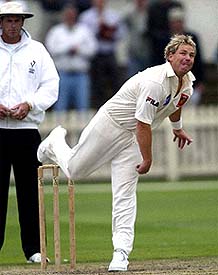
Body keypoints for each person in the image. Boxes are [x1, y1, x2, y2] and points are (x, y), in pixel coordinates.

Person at [37, 34, 196, 271]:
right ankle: (54, 142)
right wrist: (148, 158)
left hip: (133, 138)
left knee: (125, 194)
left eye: (192, 55)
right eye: (183, 53)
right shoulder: (155, 81)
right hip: (112, 124)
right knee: (74, 172)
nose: (188, 58)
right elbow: (143, 123)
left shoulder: (188, 84)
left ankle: (121, 253)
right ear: (170, 56)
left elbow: (175, 106)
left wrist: (178, 128)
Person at [0, 1, 59, 263]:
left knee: (30, 193)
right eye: (8, 20)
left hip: (26, 130)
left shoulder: (37, 50)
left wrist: (30, 104)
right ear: (0, 22)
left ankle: (34, 250)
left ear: (23, 21)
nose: (13, 25)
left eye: (17, 20)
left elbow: (51, 86)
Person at [45, 3, 97, 113]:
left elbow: (93, 49)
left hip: (81, 75)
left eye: (72, 15)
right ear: (64, 15)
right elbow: (51, 50)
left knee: (82, 107)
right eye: (68, 15)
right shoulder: (56, 31)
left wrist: (79, 50)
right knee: (60, 108)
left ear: (76, 15)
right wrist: (68, 49)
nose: (70, 17)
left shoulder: (84, 31)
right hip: (62, 75)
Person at [79, 0, 126, 108]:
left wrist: (110, 32)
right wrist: (97, 29)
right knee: (97, 83)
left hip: (109, 52)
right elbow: (83, 35)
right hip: (96, 54)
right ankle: (97, 107)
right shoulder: (86, 17)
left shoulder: (114, 15)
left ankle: (117, 107)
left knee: (115, 81)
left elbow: (122, 33)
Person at [167, 7, 205, 105]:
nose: (177, 24)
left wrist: (200, 81)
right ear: (170, 23)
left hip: (191, 84)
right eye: (175, 21)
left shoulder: (193, 38)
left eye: (179, 21)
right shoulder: (164, 40)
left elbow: (198, 60)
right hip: (169, 86)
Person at [147, 0, 183, 65]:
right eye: (174, 22)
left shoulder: (190, 38)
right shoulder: (154, 8)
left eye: (179, 22)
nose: (177, 25)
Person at [123, 0, 152, 77]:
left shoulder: (150, 12)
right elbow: (122, 19)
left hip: (147, 51)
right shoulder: (131, 13)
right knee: (132, 78)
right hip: (134, 51)